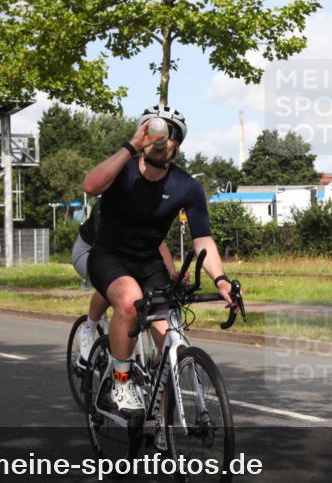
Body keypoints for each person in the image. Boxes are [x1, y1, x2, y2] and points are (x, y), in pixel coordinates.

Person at [82, 104, 239, 416]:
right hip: (109, 257)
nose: (160, 140)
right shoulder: (123, 168)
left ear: (177, 145)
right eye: (154, 132)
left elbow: (202, 239)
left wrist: (221, 280)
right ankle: (121, 381)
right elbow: (90, 185)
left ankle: (161, 430)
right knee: (129, 301)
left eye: (169, 136)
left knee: (171, 343)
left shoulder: (187, 186)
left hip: (148, 264)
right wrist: (130, 146)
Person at [71, 199, 180, 365]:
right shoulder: (108, 203)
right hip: (91, 250)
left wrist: (172, 272)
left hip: (128, 254)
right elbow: (107, 251)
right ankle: (89, 329)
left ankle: (163, 371)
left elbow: (159, 244)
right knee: (113, 283)